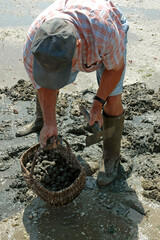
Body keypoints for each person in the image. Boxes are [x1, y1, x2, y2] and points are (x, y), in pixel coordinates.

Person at [16, 0, 129, 186]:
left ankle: (111, 159)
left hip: (101, 35)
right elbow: (43, 86)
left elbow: (115, 69)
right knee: (47, 82)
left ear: (77, 46)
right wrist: (50, 121)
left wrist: (97, 104)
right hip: (76, 42)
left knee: (113, 99)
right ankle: (41, 122)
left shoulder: (106, 33)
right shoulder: (33, 47)